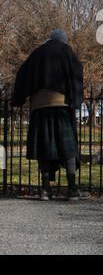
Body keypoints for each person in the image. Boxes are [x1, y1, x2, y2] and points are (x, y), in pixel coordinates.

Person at [12, 29, 86, 201]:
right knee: (68, 149)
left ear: (50, 39)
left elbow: (22, 74)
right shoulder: (66, 51)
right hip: (61, 105)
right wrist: (75, 99)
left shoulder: (37, 53)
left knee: (44, 148)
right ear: (63, 41)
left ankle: (45, 190)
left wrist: (18, 99)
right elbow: (77, 72)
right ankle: (72, 189)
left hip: (39, 107)